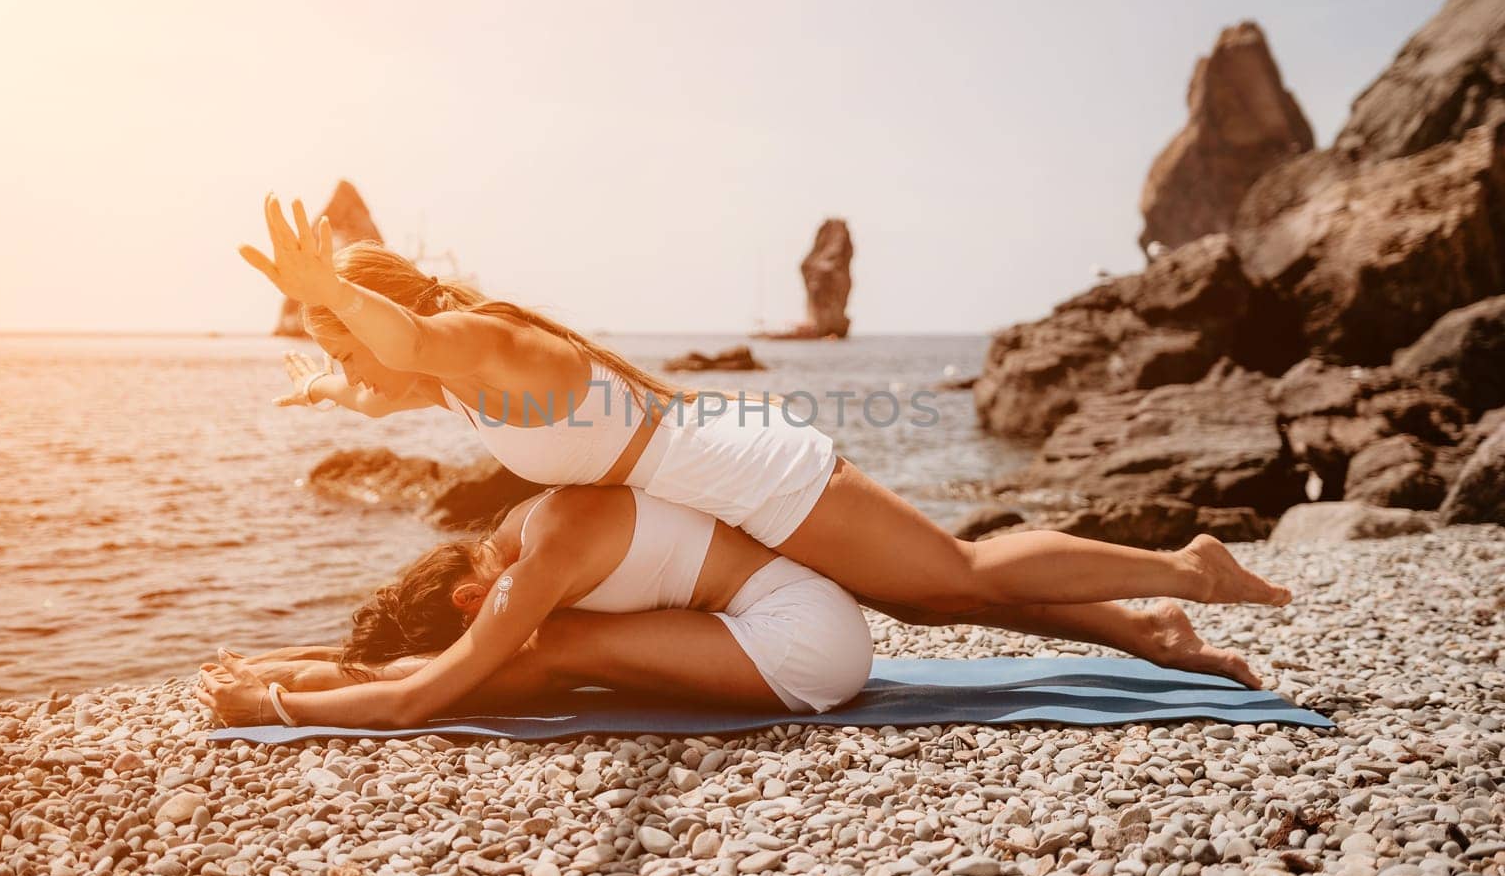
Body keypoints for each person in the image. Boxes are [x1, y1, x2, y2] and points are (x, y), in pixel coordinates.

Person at [238, 195, 1291, 661]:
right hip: (725, 475)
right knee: (928, 602)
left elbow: (406, 348)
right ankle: (1148, 631)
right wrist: (335, 388)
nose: (345, 353)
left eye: (343, 333)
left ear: (395, 312)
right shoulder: (459, 374)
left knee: (959, 570)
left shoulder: (480, 343)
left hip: (751, 474)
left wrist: (330, 286)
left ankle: (1184, 569)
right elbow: (394, 381)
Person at [197, 483, 1267, 730]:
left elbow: (437, 686)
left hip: (803, 643)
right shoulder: (535, 519)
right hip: (794, 597)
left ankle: (1167, 583)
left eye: (475, 615)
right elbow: (443, 658)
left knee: (544, 655)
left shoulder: (536, 580)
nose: (486, 622)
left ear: (478, 592)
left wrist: (282, 704)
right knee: (952, 587)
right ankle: (1145, 624)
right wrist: (299, 656)